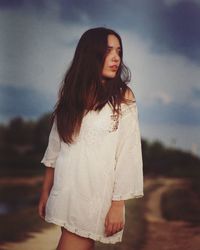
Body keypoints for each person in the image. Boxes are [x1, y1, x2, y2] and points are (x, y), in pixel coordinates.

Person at [38, 27, 143, 250]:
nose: (116, 58)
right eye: (108, 51)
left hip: (94, 196)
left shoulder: (123, 97)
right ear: (90, 55)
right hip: (66, 190)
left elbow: (128, 153)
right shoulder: (72, 95)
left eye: (119, 51)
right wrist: (45, 193)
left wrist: (117, 204)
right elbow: (56, 149)